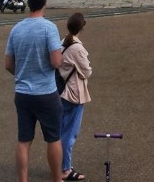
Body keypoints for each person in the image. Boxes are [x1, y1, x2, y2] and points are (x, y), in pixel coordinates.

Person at [4, 0, 64, 182]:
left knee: (24, 140)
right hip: (46, 91)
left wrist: (22, 73)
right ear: (45, 3)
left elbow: (8, 64)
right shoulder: (49, 28)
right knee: (53, 138)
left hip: (22, 92)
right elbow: (56, 62)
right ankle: (57, 179)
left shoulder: (17, 29)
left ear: (28, 3)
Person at [59, 12, 92, 182]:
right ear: (82, 26)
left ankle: (61, 166)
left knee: (62, 130)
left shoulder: (62, 42)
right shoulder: (77, 48)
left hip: (63, 91)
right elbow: (87, 71)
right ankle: (65, 169)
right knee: (70, 133)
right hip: (73, 92)